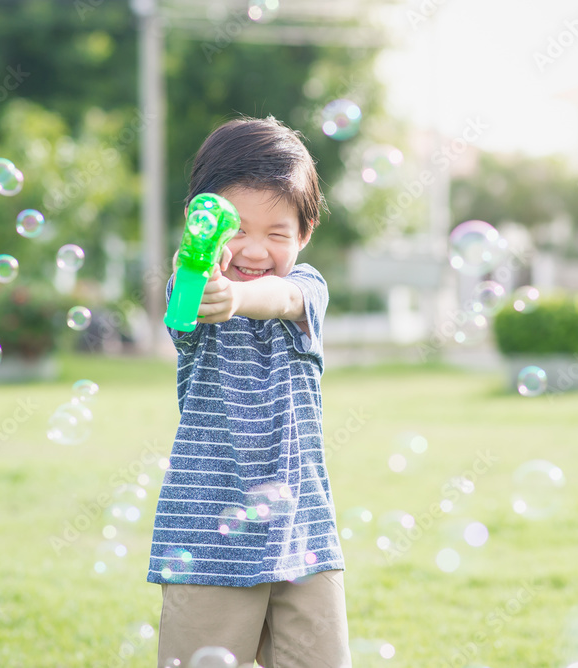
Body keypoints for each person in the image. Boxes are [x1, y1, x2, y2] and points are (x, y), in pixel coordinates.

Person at [147, 116, 350, 668]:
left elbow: (283, 298)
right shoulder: (193, 293)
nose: (255, 251)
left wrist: (238, 299)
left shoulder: (306, 291)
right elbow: (188, 297)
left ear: (304, 234)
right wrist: (201, 273)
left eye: (277, 234)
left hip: (304, 535)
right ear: (202, 221)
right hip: (206, 541)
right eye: (236, 229)